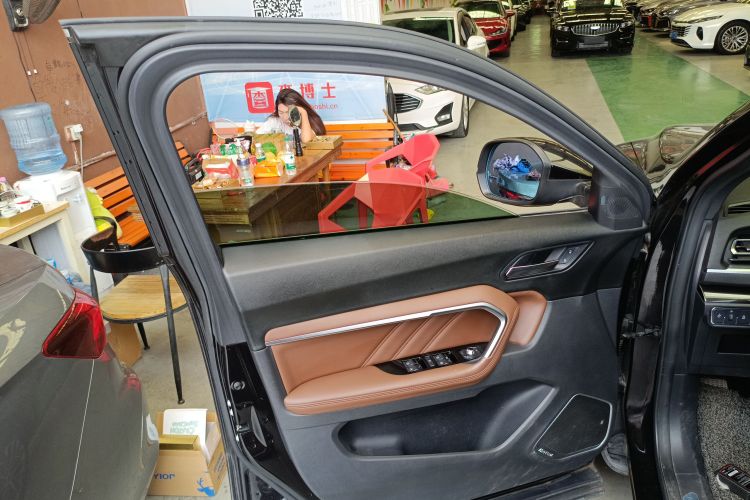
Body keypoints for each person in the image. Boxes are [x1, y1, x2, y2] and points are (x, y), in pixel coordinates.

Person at [256, 88, 326, 142]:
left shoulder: (310, 122)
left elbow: (306, 141)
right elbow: (255, 137)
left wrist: (303, 113)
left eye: (288, 112)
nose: (285, 117)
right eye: (281, 112)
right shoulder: (275, 120)